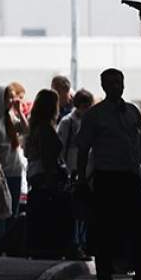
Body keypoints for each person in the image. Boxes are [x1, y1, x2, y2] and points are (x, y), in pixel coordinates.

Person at [75, 68, 141, 280]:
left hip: (131, 177)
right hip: (107, 178)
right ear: (103, 86)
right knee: (105, 231)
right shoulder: (94, 115)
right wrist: (81, 178)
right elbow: (83, 148)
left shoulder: (132, 111)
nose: (116, 86)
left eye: (118, 81)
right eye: (110, 82)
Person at [25, 89, 73, 258]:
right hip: (46, 176)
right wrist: (52, 179)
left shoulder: (34, 128)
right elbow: (49, 158)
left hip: (34, 174)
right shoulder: (46, 130)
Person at [57, 89, 93, 258]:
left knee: (84, 211)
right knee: (75, 211)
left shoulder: (90, 122)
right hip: (72, 171)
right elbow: (61, 148)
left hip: (87, 173)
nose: (85, 109)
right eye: (83, 106)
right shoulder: (67, 123)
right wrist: (65, 168)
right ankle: (76, 243)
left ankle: (83, 243)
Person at [0, 82, 28, 219]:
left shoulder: (9, 117)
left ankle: (11, 239)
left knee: (13, 212)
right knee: (2, 212)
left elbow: (26, 130)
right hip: (1, 174)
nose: (11, 101)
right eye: (8, 98)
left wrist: (19, 111)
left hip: (15, 171)